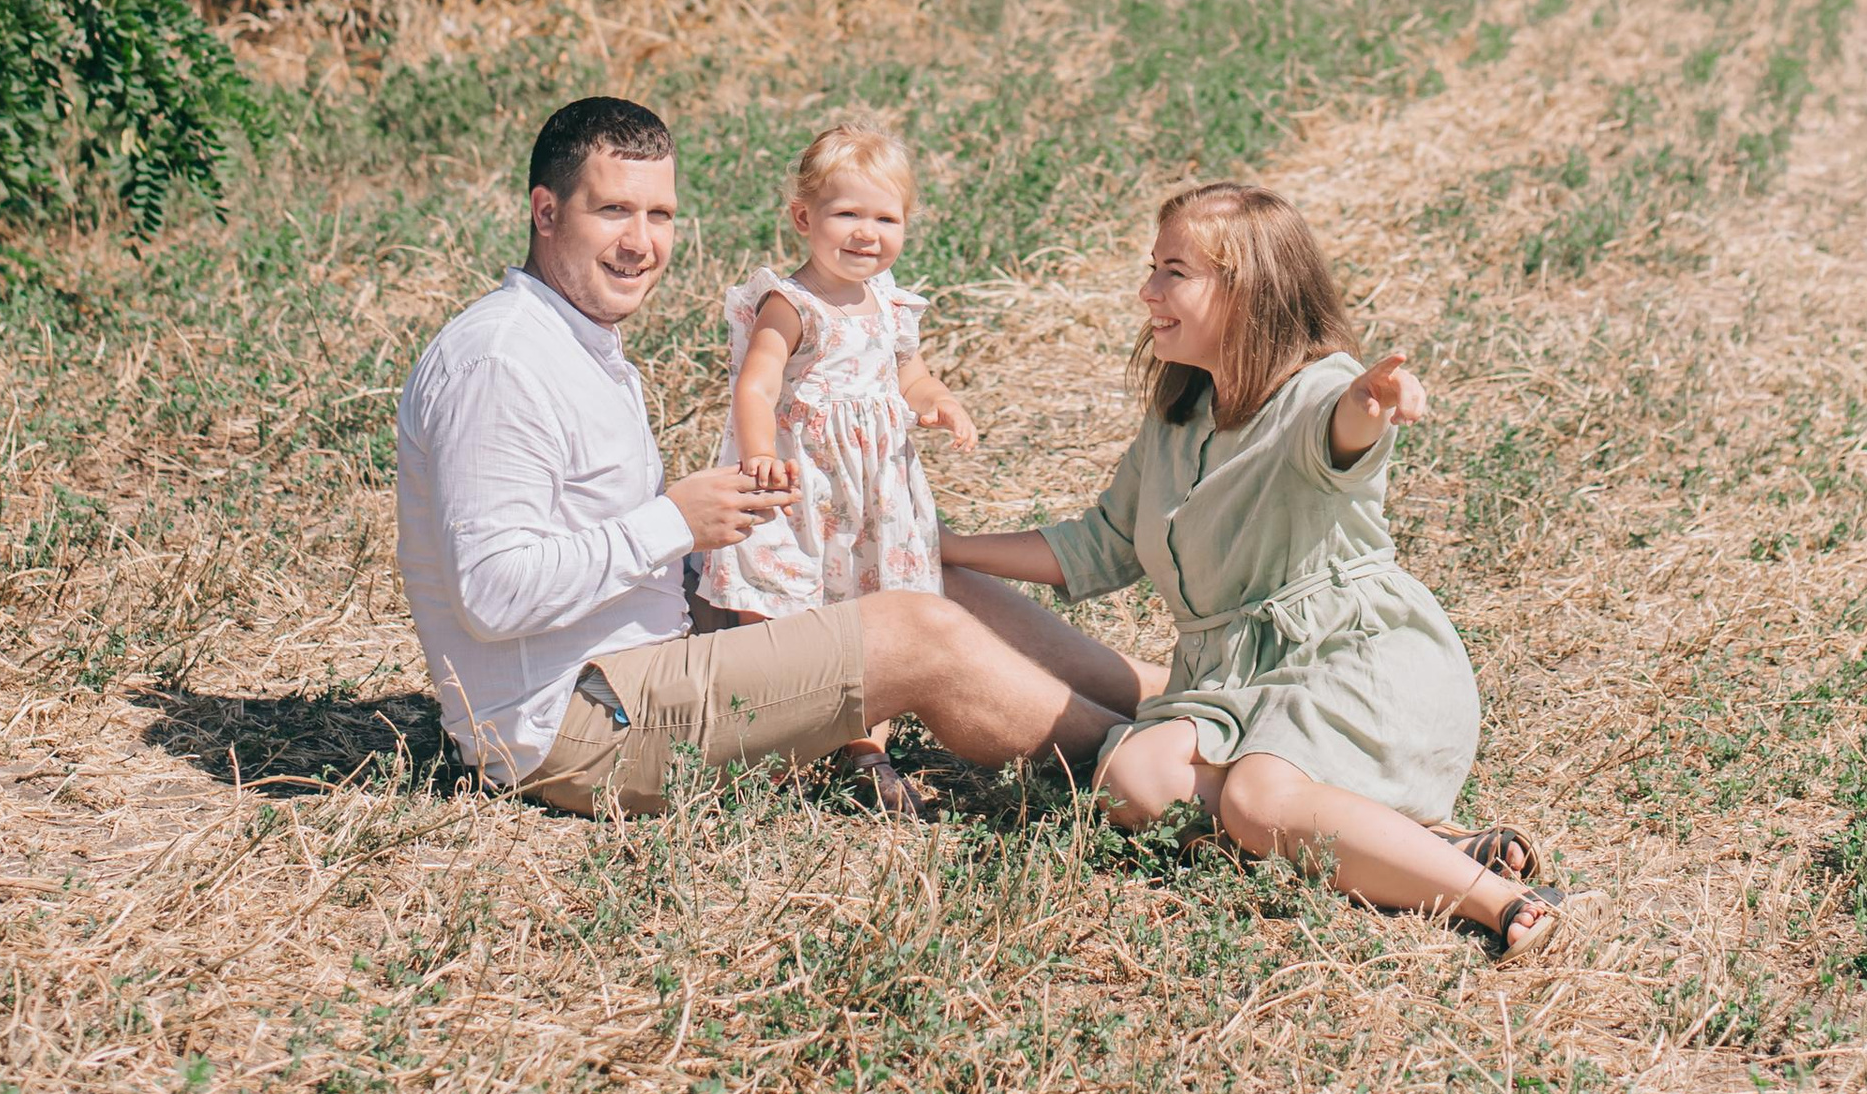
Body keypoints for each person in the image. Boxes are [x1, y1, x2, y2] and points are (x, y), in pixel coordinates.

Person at [393, 94, 1149, 817]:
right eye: (613, 210)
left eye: (660, 215)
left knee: (901, 568)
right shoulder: (501, 362)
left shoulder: (574, 339)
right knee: (916, 629)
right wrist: (675, 523)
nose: (641, 243)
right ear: (546, 212)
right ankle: (1156, 768)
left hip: (645, 659)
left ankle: (1170, 699)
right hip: (580, 727)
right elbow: (491, 596)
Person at [940, 179, 1560, 946]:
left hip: (1355, 664)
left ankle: (1498, 900)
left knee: (1255, 799)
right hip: (1239, 686)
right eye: (1153, 267)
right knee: (1130, 781)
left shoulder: (1317, 390)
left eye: (1174, 272)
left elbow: (1341, 431)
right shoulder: (1178, 419)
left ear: (1248, 292)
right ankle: (1409, 847)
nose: (1147, 291)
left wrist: (1371, 405)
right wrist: (948, 548)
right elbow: (1100, 544)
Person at [697, 121, 975, 820]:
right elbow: (757, 383)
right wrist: (759, 453)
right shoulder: (792, 303)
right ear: (804, 218)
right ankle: (774, 738)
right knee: (784, 598)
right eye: (847, 213)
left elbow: (910, 375)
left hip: (875, 493)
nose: (865, 234)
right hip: (801, 485)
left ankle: (867, 747)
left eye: (886, 218)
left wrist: (938, 402)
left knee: (876, 602)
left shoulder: (890, 304)